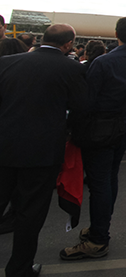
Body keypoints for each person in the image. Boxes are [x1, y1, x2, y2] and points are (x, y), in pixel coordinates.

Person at [60, 15, 126, 261]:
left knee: (99, 183)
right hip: (125, 127)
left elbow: (87, 100)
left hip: (100, 128)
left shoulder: (104, 62)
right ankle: (100, 226)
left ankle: (98, 239)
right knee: (109, 177)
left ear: (116, 33)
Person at [0, 24, 87, 277]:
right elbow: (81, 108)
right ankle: (20, 268)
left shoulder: (7, 62)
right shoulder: (71, 68)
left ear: (42, 39)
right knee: (31, 212)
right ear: (69, 44)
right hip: (42, 150)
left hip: (4, 145)